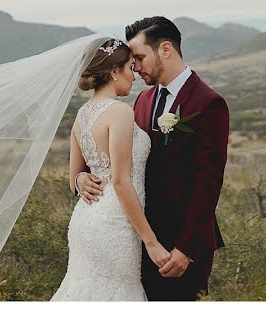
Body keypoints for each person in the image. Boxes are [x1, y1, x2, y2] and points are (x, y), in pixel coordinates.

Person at [76, 17, 230, 301]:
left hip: (181, 246)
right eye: (131, 61)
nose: (134, 66)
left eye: (139, 57)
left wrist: (186, 249)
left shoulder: (209, 103)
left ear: (166, 50)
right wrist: (81, 176)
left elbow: (209, 184)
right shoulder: (143, 100)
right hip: (137, 238)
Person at [51, 38, 169, 301]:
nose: (134, 75)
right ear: (114, 72)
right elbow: (120, 182)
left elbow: (73, 179)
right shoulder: (119, 112)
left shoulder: (82, 115)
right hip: (115, 224)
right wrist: (152, 242)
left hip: (85, 220)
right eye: (129, 67)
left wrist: (81, 177)